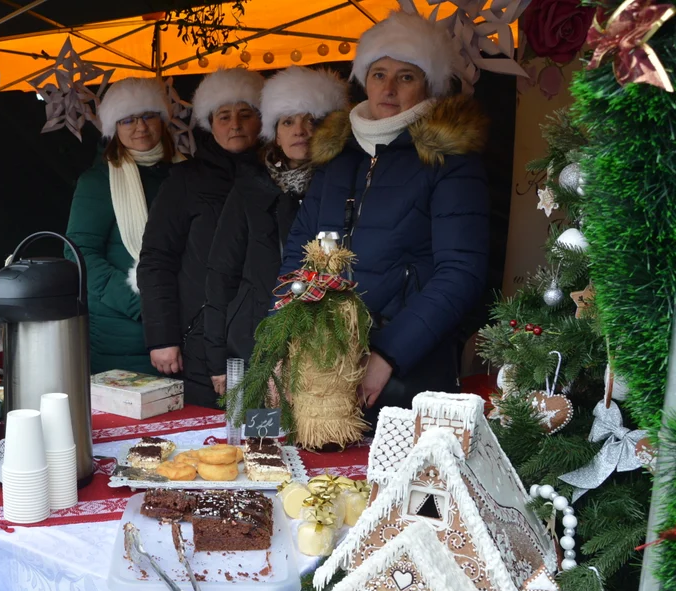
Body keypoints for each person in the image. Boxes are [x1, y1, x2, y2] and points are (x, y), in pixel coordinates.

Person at [281, 11, 489, 414]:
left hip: (407, 370)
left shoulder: (448, 160)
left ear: (427, 83)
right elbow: (297, 253)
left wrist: (388, 356)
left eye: (406, 76)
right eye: (379, 74)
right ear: (364, 80)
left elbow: (460, 273)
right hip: (325, 363)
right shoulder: (338, 156)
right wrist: (289, 336)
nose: (389, 88)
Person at [204, 66, 349, 396]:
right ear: (275, 132)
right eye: (288, 121)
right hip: (254, 343)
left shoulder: (345, 187)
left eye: (310, 119)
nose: (300, 130)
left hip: (328, 350)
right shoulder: (249, 187)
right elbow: (219, 274)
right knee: (260, 444)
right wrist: (216, 358)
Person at [138, 67, 264, 407]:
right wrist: (161, 337)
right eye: (224, 116)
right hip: (199, 340)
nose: (235, 124)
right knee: (209, 445)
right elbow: (156, 260)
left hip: (267, 338)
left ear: (262, 120)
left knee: (265, 442)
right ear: (210, 123)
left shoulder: (278, 178)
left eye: (245, 114)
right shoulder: (185, 180)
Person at [64, 78, 180, 375]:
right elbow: (79, 257)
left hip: (183, 323)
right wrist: (145, 306)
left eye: (147, 116)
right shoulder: (98, 182)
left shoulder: (185, 175)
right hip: (123, 332)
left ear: (162, 120)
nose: (139, 127)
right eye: (127, 119)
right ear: (114, 128)